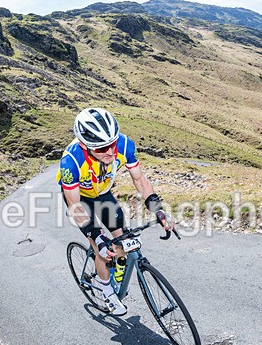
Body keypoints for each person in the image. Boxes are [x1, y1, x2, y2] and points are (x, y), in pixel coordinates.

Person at [57, 108, 174, 316]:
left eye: (112, 144)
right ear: (85, 146)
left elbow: (139, 179)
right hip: (80, 200)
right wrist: (96, 236)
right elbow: (74, 205)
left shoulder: (124, 144)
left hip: (103, 194)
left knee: (123, 239)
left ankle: (117, 264)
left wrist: (158, 210)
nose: (110, 152)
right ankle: (106, 291)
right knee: (102, 249)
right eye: (102, 148)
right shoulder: (71, 161)